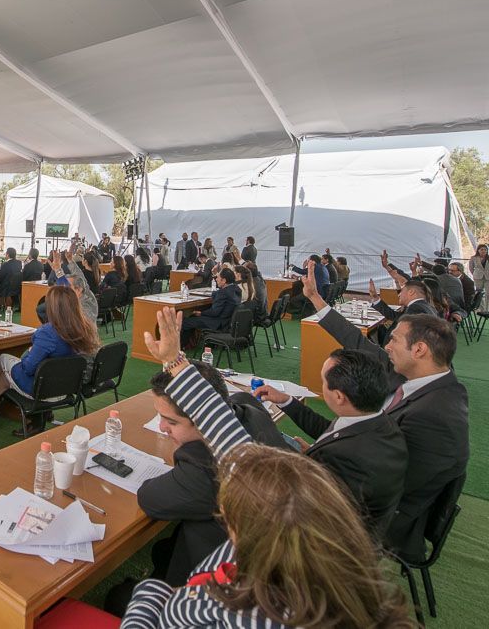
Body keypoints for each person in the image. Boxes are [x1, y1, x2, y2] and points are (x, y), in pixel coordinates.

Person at [120, 308, 413, 628]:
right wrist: (175, 362)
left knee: (120, 597)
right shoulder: (299, 534)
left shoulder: (252, 612)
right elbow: (230, 440)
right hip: (187, 591)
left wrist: (149, 594)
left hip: (163, 608)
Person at [300, 264, 469, 564]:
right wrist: (316, 299)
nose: (386, 345)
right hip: (358, 478)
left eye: (393, 339)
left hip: (381, 521)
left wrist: (315, 467)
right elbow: (358, 343)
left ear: (419, 350)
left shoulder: (438, 415)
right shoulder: (416, 378)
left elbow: (392, 484)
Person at [137, 361, 287, 587]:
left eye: (171, 422)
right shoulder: (248, 407)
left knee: (121, 595)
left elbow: (149, 498)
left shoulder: (203, 469)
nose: (162, 427)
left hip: (217, 582)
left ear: (202, 420)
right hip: (264, 550)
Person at [255, 347, 407, 535]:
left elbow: (309, 508)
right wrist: (286, 401)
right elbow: (331, 430)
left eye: (324, 382)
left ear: (339, 397)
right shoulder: (379, 421)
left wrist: (307, 462)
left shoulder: (341, 457)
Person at [0, 286, 100, 435]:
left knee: (2, 359)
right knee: (5, 377)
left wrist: (29, 353)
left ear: (52, 307)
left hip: (43, 391)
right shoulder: (85, 327)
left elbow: (28, 368)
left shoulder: (48, 333)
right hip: (67, 389)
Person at [181, 268, 240, 346]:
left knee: (186, 322)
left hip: (218, 323)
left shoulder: (223, 293)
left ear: (224, 280)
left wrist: (201, 313)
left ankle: (182, 345)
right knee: (192, 318)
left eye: (218, 277)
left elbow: (214, 312)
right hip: (228, 322)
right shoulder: (237, 289)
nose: (216, 279)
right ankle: (190, 344)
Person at [469, 243, 488, 308]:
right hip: (478, 277)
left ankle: (487, 308)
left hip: (487, 277)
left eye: (485, 249)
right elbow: (471, 268)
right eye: (482, 249)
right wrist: (475, 274)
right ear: (478, 250)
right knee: (479, 293)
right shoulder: (473, 258)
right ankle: (480, 308)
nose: (483, 251)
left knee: (487, 293)